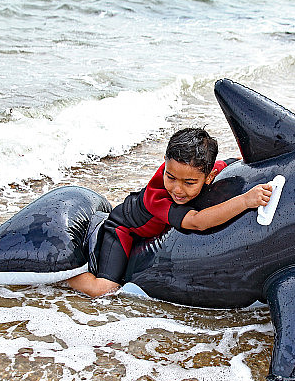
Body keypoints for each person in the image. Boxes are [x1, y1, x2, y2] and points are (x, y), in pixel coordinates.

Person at [67, 127, 273, 297]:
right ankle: (64, 275)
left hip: (146, 220)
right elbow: (197, 222)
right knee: (105, 289)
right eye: (170, 177)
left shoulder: (204, 168)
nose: (177, 189)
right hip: (122, 229)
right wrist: (246, 201)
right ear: (165, 161)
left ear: (209, 176)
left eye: (189, 183)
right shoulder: (157, 198)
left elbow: (231, 163)